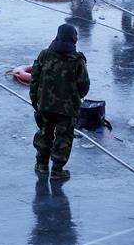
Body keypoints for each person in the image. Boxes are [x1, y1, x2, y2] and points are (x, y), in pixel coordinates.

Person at [30, 24, 90, 180]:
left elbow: (34, 79)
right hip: (67, 108)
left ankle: (41, 165)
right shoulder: (77, 60)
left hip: (45, 105)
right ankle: (57, 170)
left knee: (44, 134)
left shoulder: (44, 55)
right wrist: (77, 97)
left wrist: (35, 100)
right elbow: (84, 85)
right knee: (64, 137)